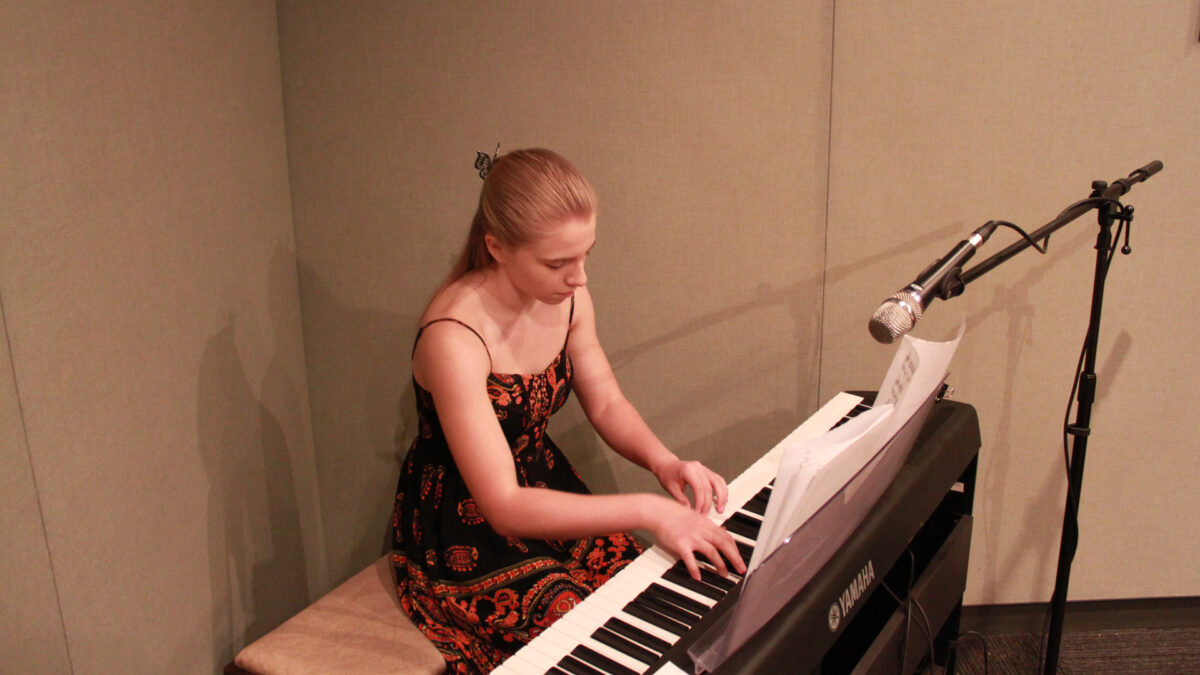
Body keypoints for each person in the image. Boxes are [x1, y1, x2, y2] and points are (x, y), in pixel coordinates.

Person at [391, 148, 745, 673]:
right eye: (557, 263)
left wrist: (665, 462)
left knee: (657, 597)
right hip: (465, 527)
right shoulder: (454, 336)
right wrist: (651, 510)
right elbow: (502, 505)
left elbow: (606, 401)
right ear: (496, 247)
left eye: (585, 255)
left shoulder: (569, 298)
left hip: (544, 486)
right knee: (586, 632)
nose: (578, 277)